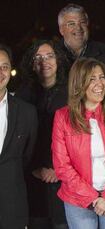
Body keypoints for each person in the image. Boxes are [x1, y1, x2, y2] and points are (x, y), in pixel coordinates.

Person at [51, 58, 105, 229]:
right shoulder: (63, 117)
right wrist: (93, 198)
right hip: (77, 199)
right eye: (91, 79)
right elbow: (62, 167)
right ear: (78, 83)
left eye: (101, 77)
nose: (99, 84)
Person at [15, 40, 69, 229]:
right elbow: (18, 140)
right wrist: (35, 168)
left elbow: (78, 138)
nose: (44, 61)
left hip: (65, 177)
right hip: (33, 177)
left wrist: (57, 169)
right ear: (31, 63)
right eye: (37, 58)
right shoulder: (22, 95)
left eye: (49, 56)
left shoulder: (71, 93)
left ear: (58, 60)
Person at [0, 44, 38, 229]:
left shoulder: (27, 112)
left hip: (13, 207)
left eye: (4, 67)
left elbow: (27, 157)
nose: (0, 72)